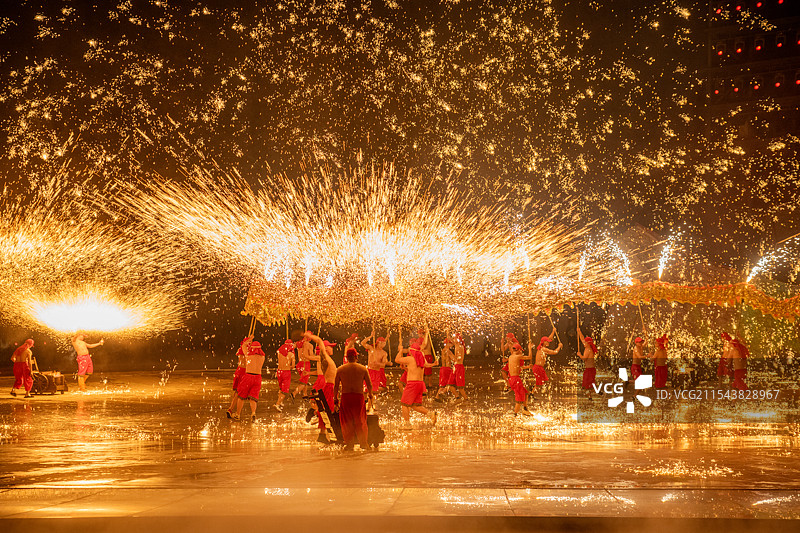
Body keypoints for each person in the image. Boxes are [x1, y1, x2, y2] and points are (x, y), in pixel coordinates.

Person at [334, 348, 373, 451]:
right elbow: (369, 384)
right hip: (358, 397)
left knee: (346, 421)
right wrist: (370, 394)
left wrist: (335, 398)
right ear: (356, 357)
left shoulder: (340, 369)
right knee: (360, 420)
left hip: (346, 397)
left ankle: (349, 444)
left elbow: (336, 386)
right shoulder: (362, 369)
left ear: (346, 358)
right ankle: (363, 443)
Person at [396, 335, 437, 429]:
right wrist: (406, 368)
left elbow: (397, 360)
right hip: (420, 384)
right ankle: (430, 414)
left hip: (412, 384)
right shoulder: (421, 359)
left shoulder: (410, 359)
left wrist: (400, 350)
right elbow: (421, 367)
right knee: (415, 405)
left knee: (404, 404)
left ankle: (407, 424)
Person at [305, 332, 338, 440]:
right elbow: (319, 341)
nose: (332, 349)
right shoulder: (325, 357)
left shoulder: (328, 359)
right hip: (329, 387)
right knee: (328, 411)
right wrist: (310, 337)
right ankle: (323, 432)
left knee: (328, 410)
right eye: (330, 347)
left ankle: (323, 434)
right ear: (326, 349)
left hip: (331, 387)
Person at [232, 340, 266, 421]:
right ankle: (253, 413)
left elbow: (243, 345)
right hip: (258, 378)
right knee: (253, 397)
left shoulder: (248, 355)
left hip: (248, 376)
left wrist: (248, 340)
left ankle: (237, 414)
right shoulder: (263, 357)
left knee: (241, 395)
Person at [531, 326, 562, 398]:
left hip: (538, 367)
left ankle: (532, 390)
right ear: (544, 342)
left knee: (541, 382)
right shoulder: (544, 349)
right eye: (547, 342)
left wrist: (553, 331)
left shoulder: (541, 346)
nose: (548, 342)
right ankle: (532, 393)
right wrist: (559, 346)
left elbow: (549, 338)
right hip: (538, 367)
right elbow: (555, 352)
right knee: (540, 383)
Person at [226, 336, 252, 418]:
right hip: (244, 371)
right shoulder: (246, 350)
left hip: (239, 370)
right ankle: (238, 413)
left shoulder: (240, 349)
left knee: (236, 392)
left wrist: (249, 338)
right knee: (241, 394)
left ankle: (230, 408)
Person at [507, 342, 533, 415]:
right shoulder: (518, 357)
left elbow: (517, 367)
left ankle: (525, 409)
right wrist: (529, 348)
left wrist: (527, 367)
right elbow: (529, 357)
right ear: (518, 350)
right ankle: (515, 415)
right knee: (519, 399)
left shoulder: (511, 357)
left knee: (525, 393)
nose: (521, 352)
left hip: (512, 379)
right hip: (516, 379)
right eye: (520, 350)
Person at [273, 339, 295, 411]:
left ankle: (280, 401)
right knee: (285, 390)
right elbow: (293, 366)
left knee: (281, 388)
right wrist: (290, 366)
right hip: (286, 372)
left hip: (279, 372)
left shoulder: (279, 352)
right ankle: (277, 404)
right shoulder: (291, 354)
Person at [577, 326, 598, 398]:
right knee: (587, 385)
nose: (584, 343)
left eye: (585, 342)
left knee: (588, 385)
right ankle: (590, 396)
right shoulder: (587, 347)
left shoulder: (588, 350)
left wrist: (579, 355)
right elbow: (582, 339)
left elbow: (584, 358)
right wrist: (579, 332)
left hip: (590, 370)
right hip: (589, 369)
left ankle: (596, 391)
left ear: (588, 343)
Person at [446, 333, 468, 401]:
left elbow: (456, 359)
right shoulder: (456, 345)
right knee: (450, 385)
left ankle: (466, 399)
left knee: (460, 387)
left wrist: (450, 354)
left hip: (459, 367)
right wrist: (447, 332)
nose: (453, 340)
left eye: (455, 338)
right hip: (455, 367)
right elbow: (449, 339)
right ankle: (457, 397)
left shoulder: (460, 347)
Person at [434, 337, 455, 402]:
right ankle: (442, 393)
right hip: (447, 369)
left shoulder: (443, 350)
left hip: (443, 369)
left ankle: (437, 397)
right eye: (451, 344)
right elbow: (454, 359)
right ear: (448, 344)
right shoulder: (448, 351)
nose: (452, 345)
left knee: (442, 384)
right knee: (450, 384)